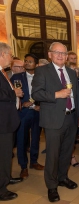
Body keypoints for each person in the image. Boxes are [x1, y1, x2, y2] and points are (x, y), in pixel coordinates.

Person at [31, 42, 79, 202]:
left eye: (63, 53)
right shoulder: (41, 71)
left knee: (67, 151)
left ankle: (62, 177)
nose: (60, 56)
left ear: (67, 56)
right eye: (57, 52)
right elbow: (36, 94)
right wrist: (56, 95)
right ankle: (51, 186)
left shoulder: (71, 72)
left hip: (71, 117)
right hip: (53, 119)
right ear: (50, 54)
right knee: (52, 154)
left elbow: (77, 96)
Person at [11, 53, 44, 180]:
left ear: (36, 64)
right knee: (22, 139)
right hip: (24, 113)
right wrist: (22, 103)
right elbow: (13, 95)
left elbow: (45, 92)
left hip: (38, 112)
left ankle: (34, 162)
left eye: (30, 61)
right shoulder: (17, 77)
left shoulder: (41, 77)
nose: (27, 63)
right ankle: (23, 166)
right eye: (26, 61)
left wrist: (40, 105)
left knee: (36, 138)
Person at [0, 42, 23, 201]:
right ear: (2, 54)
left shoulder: (3, 72)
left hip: (8, 120)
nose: (12, 58)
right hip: (2, 122)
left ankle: (5, 178)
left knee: (7, 154)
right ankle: (1, 188)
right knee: (3, 155)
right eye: (10, 55)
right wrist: (13, 92)